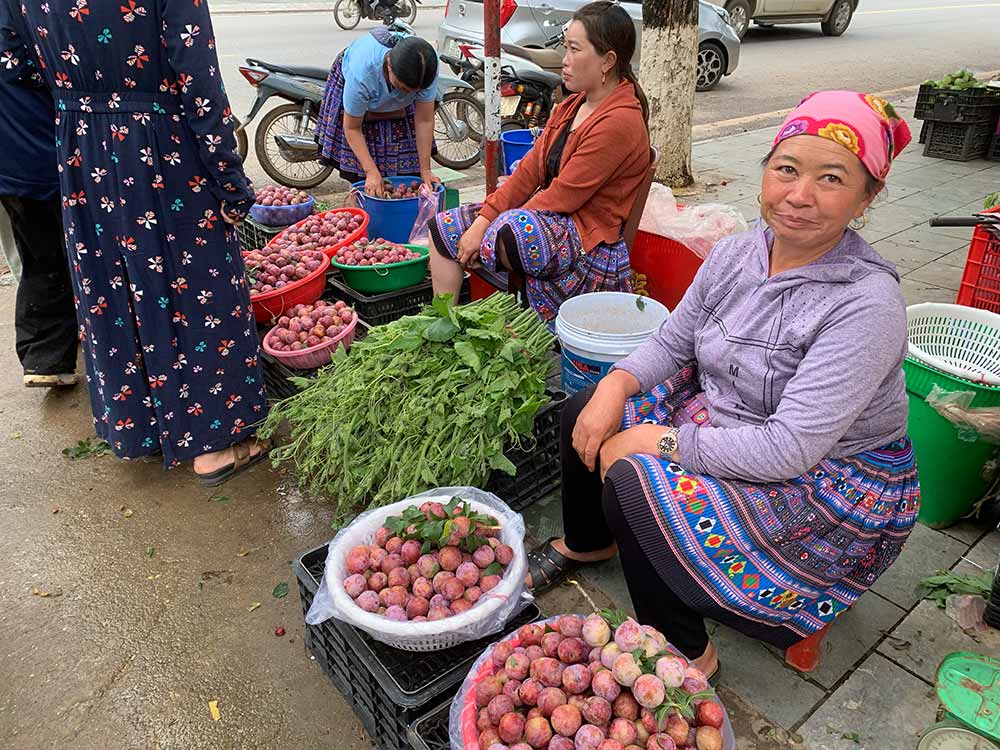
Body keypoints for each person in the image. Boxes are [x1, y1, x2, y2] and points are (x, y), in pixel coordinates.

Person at [526, 91, 920, 679]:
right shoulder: (735, 254)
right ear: (765, 173)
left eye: (831, 178)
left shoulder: (867, 304)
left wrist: (657, 442)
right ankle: (589, 542)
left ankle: (688, 650)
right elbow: (673, 342)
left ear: (867, 197)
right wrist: (616, 384)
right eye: (786, 169)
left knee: (634, 483)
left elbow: (788, 448)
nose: (799, 195)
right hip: (727, 416)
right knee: (584, 408)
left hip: (827, 478)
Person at [2, 0, 269, 484]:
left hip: (83, 146)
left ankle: (141, 428)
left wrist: (80, 97)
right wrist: (230, 182)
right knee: (199, 290)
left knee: (114, 288)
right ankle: (213, 447)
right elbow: (200, 84)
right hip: (162, 147)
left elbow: (15, 62)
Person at [428, 0, 651, 327]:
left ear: (608, 61)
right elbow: (529, 171)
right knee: (443, 228)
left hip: (585, 238)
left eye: (575, 49)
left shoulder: (620, 122)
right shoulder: (573, 105)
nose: (565, 59)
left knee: (513, 230)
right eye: (566, 47)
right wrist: (482, 220)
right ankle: (444, 327)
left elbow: (563, 196)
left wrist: (487, 228)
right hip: (550, 220)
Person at [0, 6, 77, 387]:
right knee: (57, 255)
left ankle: (45, 358)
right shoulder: (28, 12)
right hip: (39, 156)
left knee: (35, 253)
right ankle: (50, 356)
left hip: (15, 162)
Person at [315, 29, 439, 196]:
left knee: (409, 169)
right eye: (402, 88)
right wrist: (371, 171)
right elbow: (352, 128)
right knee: (361, 174)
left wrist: (426, 170)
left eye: (415, 92)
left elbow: (424, 120)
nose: (408, 94)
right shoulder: (361, 74)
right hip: (360, 93)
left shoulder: (427, 69)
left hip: (387, 90)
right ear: (389, 66)